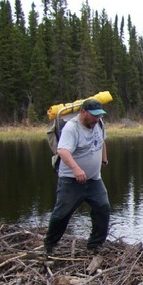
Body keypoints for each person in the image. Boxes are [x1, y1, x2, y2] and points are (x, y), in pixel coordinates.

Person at [44, 99, 110, 255]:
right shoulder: (72, 128)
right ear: (83, 113)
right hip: (71, 181)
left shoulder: (98, 124)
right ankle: (50, 244)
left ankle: (95, 245)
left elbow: (102, 141)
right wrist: (76, 169)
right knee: (62, 214)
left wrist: (104, 159)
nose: (96, 119)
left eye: (99, 116)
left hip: (94, 180)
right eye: (94, 116)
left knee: (103, 208)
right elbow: (63, 151)